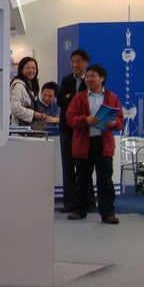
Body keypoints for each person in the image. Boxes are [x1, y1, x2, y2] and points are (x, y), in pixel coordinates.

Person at [65, 64, 123, 223]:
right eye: (87, 76)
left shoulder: (111, 97)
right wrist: (86, 120)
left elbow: (120, 120)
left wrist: (114, 123)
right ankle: (79, 210)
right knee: (82, 179)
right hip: (84, 143)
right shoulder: (79, 98)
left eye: (92, 76)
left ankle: (108, 213)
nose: (89, 79)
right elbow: (70, 119)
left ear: (102, 78)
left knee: (105, 180)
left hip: (103, 144)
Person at [57, 49, 90, 211]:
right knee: (68, 166)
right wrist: (74, 99)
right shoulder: (66, 80)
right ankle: (70, 202)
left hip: (84, 130)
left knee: (84, 167)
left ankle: (86, 201)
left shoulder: (90, 80)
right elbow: (61, 101)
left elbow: (88, 103)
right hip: (67, 129)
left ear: (86, 63)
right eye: (72, 61)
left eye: (78, 61)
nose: (74, 64)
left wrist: (71, 98)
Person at [10, 56, 53, 128]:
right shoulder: (18, 86)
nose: (31, 71)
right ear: (21, 69)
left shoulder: (31, 86)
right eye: (28, 68)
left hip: (30, 129)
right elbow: (15, 108)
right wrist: (33, 114)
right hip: (20, 129)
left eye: (34, 68)